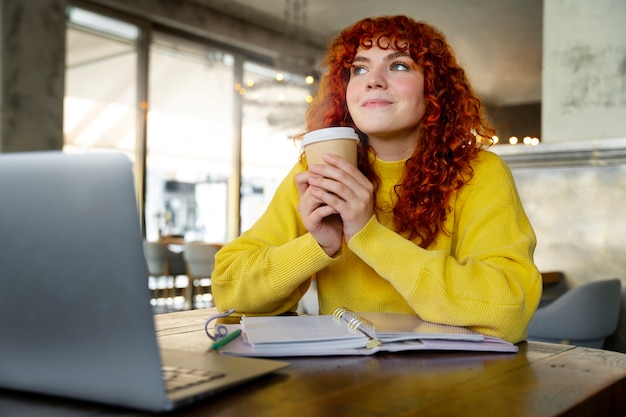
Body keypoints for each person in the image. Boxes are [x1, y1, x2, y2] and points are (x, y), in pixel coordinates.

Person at [212, 15, 541, 343]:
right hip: (342, 379)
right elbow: (229, 289)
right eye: (359, 69)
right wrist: (318, 245)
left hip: (450, 381)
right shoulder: (320, 171)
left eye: (398, 66)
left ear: (433, 88)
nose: (374, 80)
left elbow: (507, 311)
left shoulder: (478, 172)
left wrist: (368, 235)